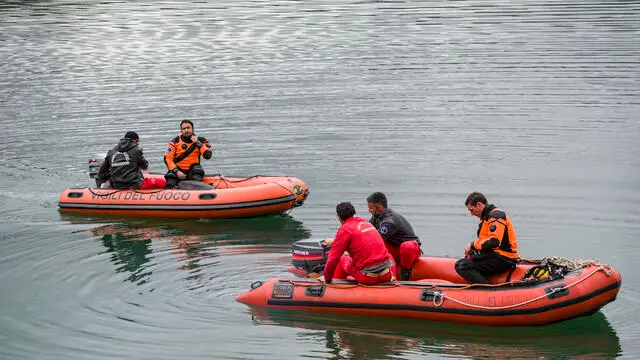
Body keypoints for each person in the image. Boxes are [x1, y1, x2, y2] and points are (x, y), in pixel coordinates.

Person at [322, 202, 396, 285]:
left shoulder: (344, 230)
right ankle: (393, 279)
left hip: (367, 277)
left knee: (342, 259)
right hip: (386, 274)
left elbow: (332, 259)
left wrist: (327, 278)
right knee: (388, 255)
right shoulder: (366, 223)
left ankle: (336, 286)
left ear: (339, 218)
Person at [455, 192, 520, 284]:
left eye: (472, 210)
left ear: (479, 204)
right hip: (495, 256)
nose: (472, 214)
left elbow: (494, 242)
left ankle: (488, 290)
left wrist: (473, 245)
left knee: (464, 266)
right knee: (459, 264)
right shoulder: (486, 217)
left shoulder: (496, 216)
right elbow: (485, 241)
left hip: (504, 258)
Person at [367, 192, 422, 280]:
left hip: (410, 251)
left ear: (380, 208)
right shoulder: (377, 217)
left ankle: (405, 274)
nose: (369, 211)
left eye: (371, 208)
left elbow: (376, 239)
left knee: (406, 247)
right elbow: (366, 231)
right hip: (396, 247)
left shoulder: (389, 222)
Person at [164, 120, 213, 188]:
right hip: (178, 170)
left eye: (188, 128)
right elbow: (167, 159)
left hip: (193, 170)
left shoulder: (202, 140)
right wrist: (176, 171)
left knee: (197, 178)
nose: (186, 130)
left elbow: (208, 156)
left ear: (192, 129)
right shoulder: (175, 142)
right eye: (184, 129)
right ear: (181, 130)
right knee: (170, 184)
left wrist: (198, 143)